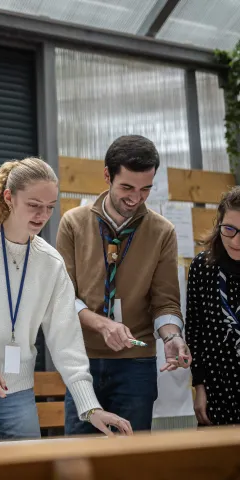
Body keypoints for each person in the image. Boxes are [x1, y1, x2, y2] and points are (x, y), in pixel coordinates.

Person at [0, 157, 132, 445]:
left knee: (28, 470)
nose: (42, 215)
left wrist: (90, 405)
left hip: (18, 389)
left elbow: (66, 341)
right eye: (34, 205)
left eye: (50, 207)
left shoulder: (50, 262)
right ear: (9, 197)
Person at [56, 135, 192, 435]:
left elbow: (166, 301)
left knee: (131, 461)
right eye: (127, 188)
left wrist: (171, 337)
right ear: (107, 175)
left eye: (145, 189)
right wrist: (103, 325)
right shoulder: (73, 223)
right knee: (80, 460)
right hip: (82, 362)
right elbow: (62, 297)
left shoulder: (163, 232)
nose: (135, 198)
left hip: (136, 367)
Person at [186, 187, 240, 426]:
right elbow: (195, 332)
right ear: (219, 225)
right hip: (218, 393)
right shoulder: (203, 267)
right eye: (229, 229)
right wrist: (199, 387)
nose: (236, 241)